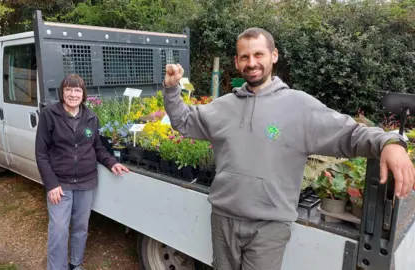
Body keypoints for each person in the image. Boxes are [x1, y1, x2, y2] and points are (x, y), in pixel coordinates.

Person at [162, 28, 415, 270]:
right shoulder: (223, 106)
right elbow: (184, 121)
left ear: (274, 55)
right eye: (245, 56)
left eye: (259, 54)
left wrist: (389, 143)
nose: (252, 62)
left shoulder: (299, 106)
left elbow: (350, 134)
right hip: (223, 218)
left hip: (269, 226)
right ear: (237, 62)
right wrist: (172, 89)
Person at [35, 74, 130, 270]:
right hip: (60, 184)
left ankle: (76, 265)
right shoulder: (49, 115)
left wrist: (112, 163)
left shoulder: (91, 117)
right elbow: (41, 154)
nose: (72, 94)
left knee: (80, 228)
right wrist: (51, 184)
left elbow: (97, 148)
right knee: (59, 230)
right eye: (68, 90)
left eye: (77, 90)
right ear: (62, 92)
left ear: (83, 94)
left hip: (86, 183)